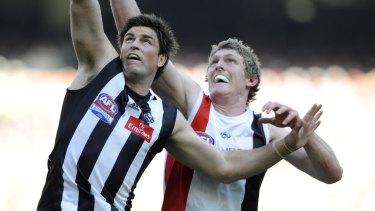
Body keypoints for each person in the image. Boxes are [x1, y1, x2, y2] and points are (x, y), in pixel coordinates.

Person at [36, 0, 324, 210]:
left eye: (145, 40)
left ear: (161, 60)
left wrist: (292, 142)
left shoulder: (165, 118)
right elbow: (83, 8)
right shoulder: (100, 71)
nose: (134, 44)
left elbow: (222, 165)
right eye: (129, 39)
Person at [110, 0, 343, 210]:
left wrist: (302, 131)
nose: (218, 66)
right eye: (214, 62)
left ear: (251, 80)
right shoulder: (191, 102)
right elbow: (140, 37)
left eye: (230, 61)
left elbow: (332, 174)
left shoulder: (265, 128)